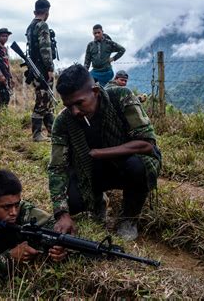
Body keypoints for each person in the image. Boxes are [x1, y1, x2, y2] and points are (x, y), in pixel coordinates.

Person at [48, 64, 161, 241]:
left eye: (79, 103)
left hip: (124, 165)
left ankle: (129, 218)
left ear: (95, 91)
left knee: (139, 167)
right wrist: (62, 213)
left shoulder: (120, 97)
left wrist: (100, 153)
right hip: (91, 172)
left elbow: (147, 144)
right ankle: (97, 202)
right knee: (73, 202)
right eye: (69, 106)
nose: (75, 111)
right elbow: (57, 168)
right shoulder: (63, 122)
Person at [26, 0, 56, 142]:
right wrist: (49, 68)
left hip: (35, 68)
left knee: (47, 100)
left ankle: (52, 131)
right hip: (42, 69)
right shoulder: (42, 25)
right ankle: (37, 134)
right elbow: (45, 49)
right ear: (47, 12)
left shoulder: (30, 26)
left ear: (35, 11)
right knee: (42, 101)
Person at [0, 28, 14, 109]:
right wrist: (0, 75)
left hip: (6, 76)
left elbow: (7, 64)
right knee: (2, 97)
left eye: (6, 36)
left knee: (7, 97)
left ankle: (4, 114)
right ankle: (0, 116)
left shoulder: (5, 48)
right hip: (0, 77)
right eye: (3, 36)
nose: (5, 38)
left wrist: (10, 77)